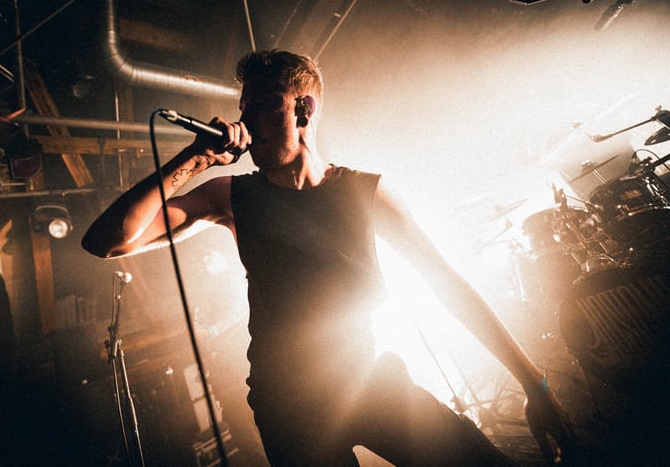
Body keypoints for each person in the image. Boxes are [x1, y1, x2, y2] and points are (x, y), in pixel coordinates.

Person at [82, 50, 576, 466]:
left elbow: (446, 282)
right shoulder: (231, 195)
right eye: (243, 109)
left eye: (262, 106)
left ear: (304, 108)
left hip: (369, 380)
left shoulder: (365, 191)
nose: (247, 121)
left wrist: (535, 385)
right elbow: (108, 240)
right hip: (288, 408)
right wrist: (195, 159)